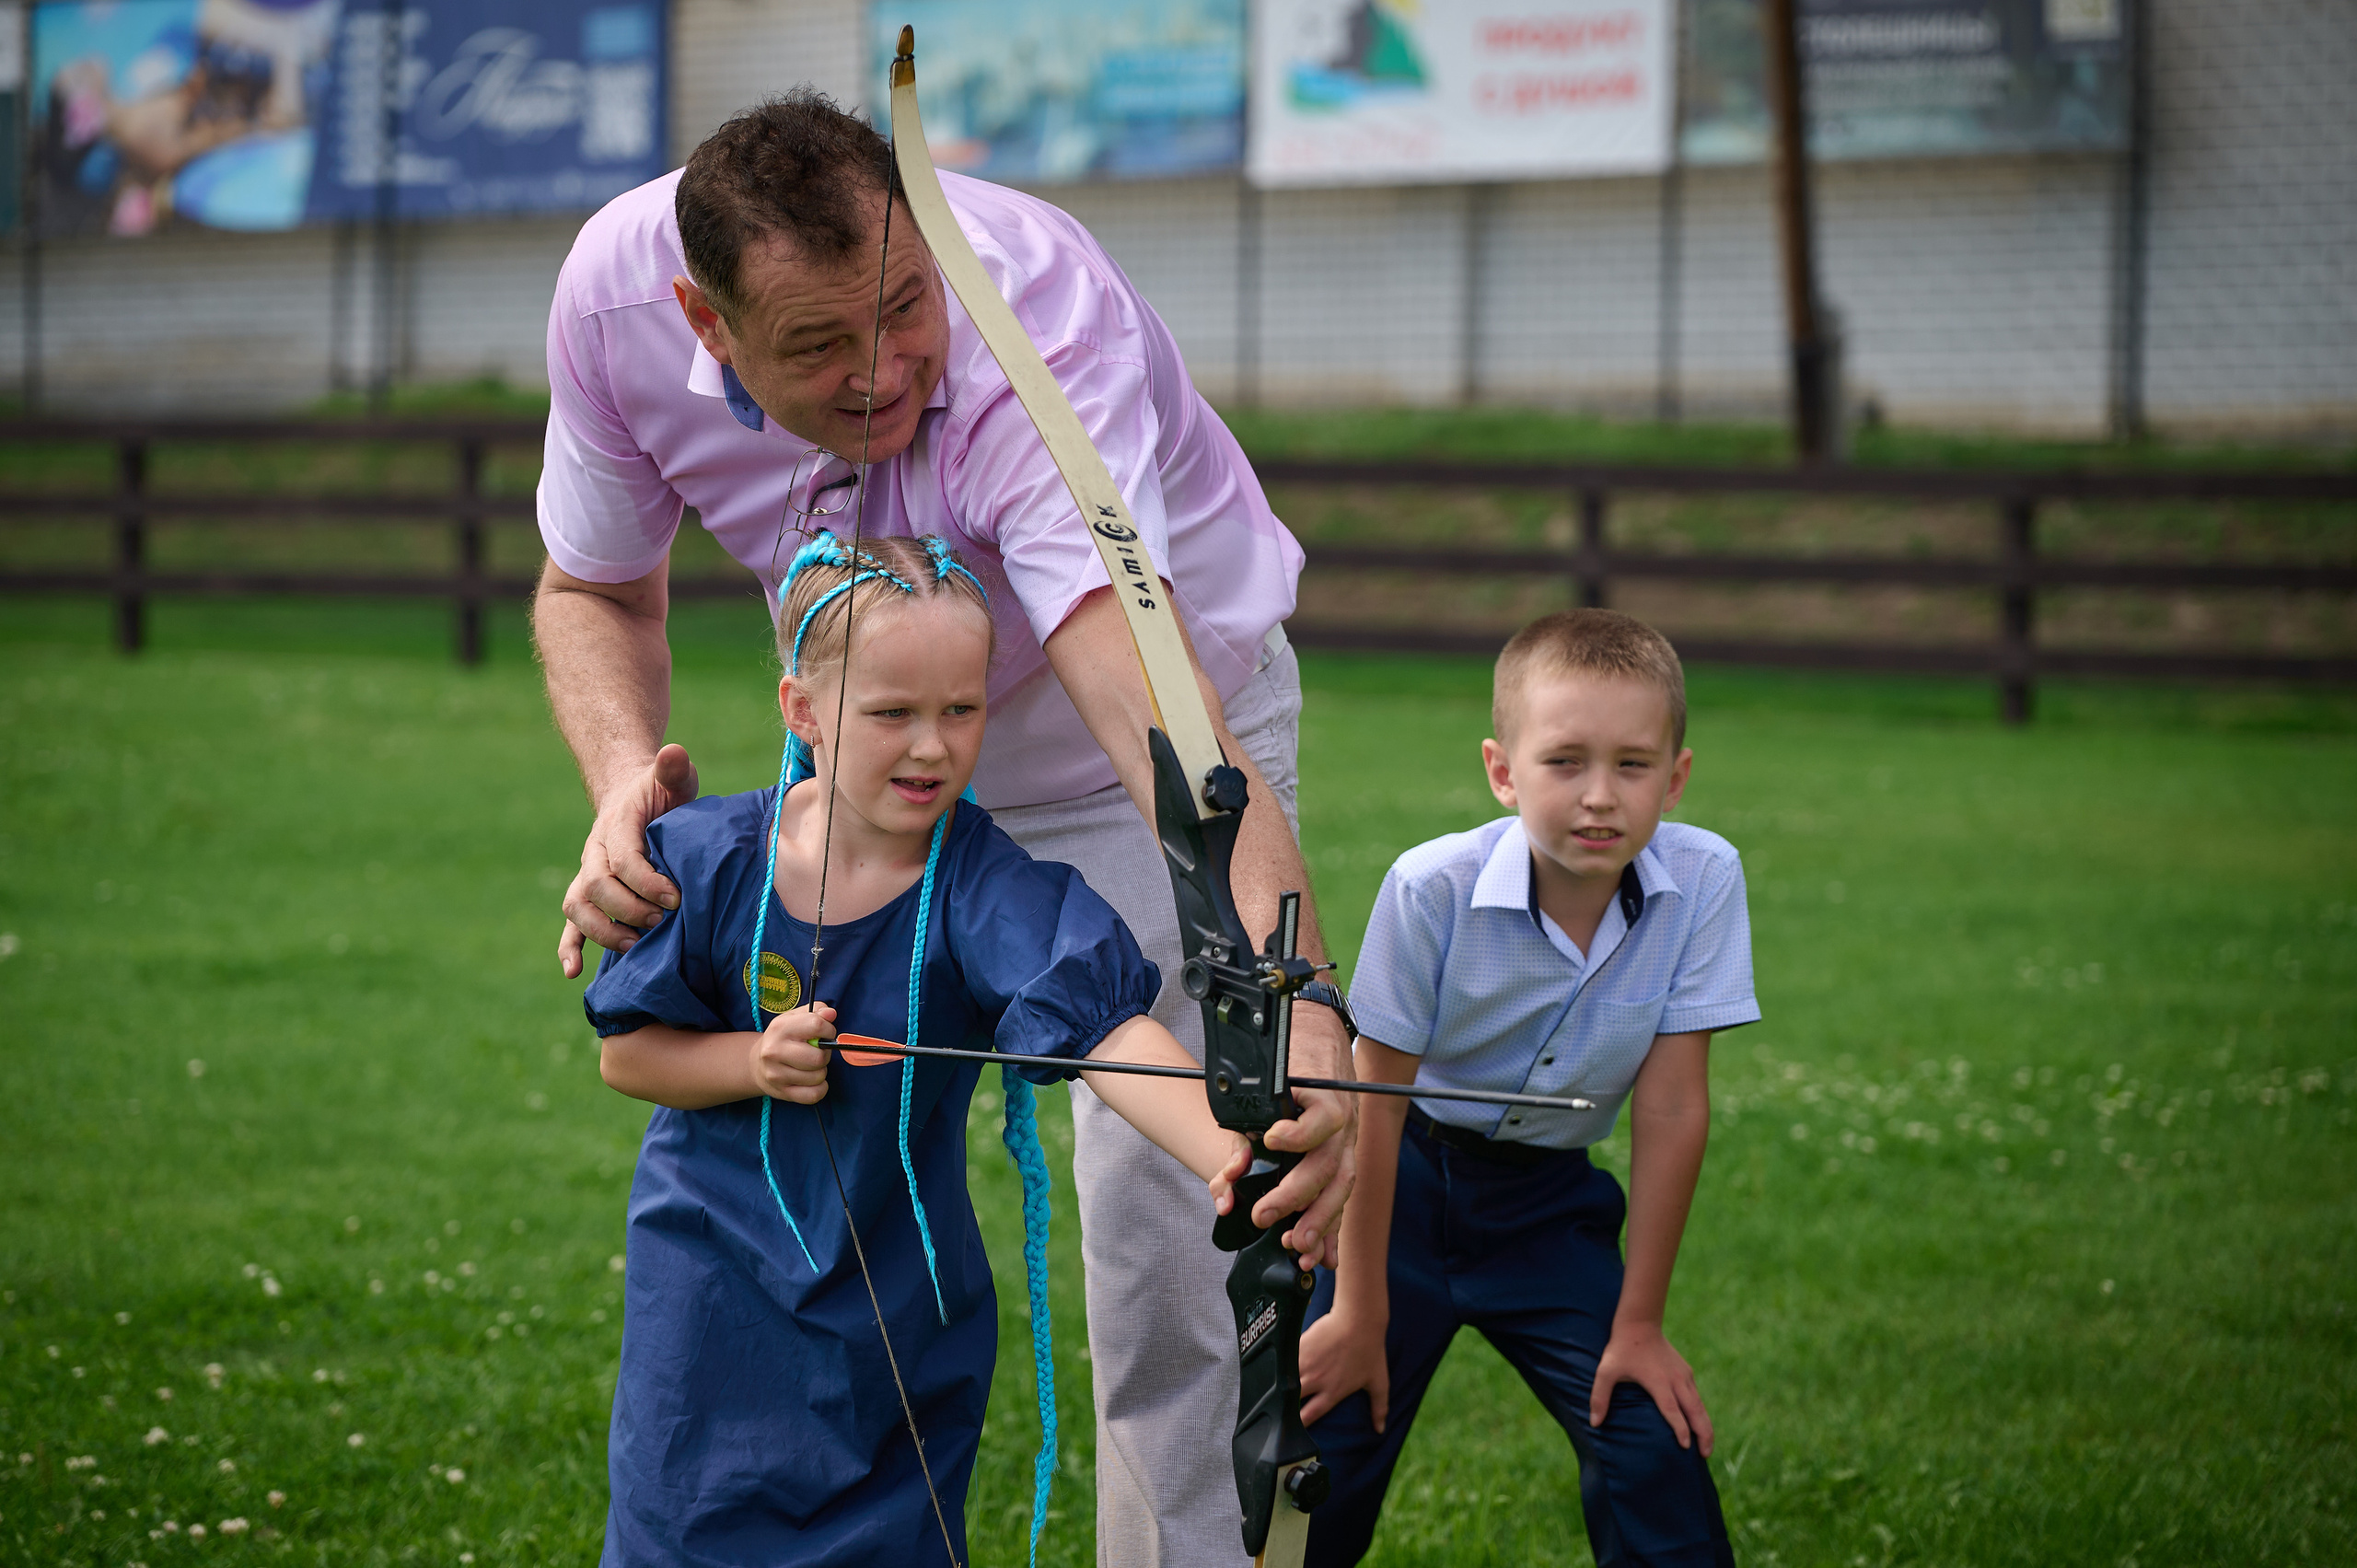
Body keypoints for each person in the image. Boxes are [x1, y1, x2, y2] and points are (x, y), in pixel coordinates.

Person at [534, 89, 1354, 1563]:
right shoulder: (606, 303)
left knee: (1180, 1221)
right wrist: (614, 785)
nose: (886, 368)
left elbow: (1154, 717)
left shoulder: (1040, 330)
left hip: (1146, 745)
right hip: (871, 745)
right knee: (817, 1206)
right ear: (704, 326)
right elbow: (592, 584)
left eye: (904, 304)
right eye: (820, 346)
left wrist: (1295, 1011)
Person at [585, 533, 1338, 1565]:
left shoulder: (982, 881)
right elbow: (628, 1054)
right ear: (801, 708)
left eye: (962, 709)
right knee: (684, 1531)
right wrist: (750, 1062)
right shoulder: (707, 856)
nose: (932, 747)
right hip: (708, 1297)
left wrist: (1226, 1151)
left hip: (896, 1301)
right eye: (891, 713)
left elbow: (1107, 1030)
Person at [1295, 610, 1755, 1567]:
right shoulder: (1431, 886)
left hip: (1549, 1209)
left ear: (1675, 776)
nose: (1599, 796)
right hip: (1402, 1192)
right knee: (1319, 1453)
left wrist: (1639, 1322)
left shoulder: (1703, 878)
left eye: (1632, 766)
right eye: (1564, 762)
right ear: (1503, 770)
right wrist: (1358, 1307)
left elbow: (1672, 1105)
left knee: (1648, 1441)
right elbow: (1375, 1103)